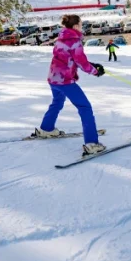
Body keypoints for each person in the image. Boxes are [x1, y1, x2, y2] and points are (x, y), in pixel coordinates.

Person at [33, 14, 106, 156]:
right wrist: (94, 71)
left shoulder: (60, 39)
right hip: (65, 80)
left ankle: (46, 128)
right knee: (85, 107)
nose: (82, 26)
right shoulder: (75, 41)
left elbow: (69, 59)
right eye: (80, 24)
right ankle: (92, 144)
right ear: (75, 26)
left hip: (54, 78)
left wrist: (92, 65)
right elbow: (81, 62)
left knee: (57, 102)